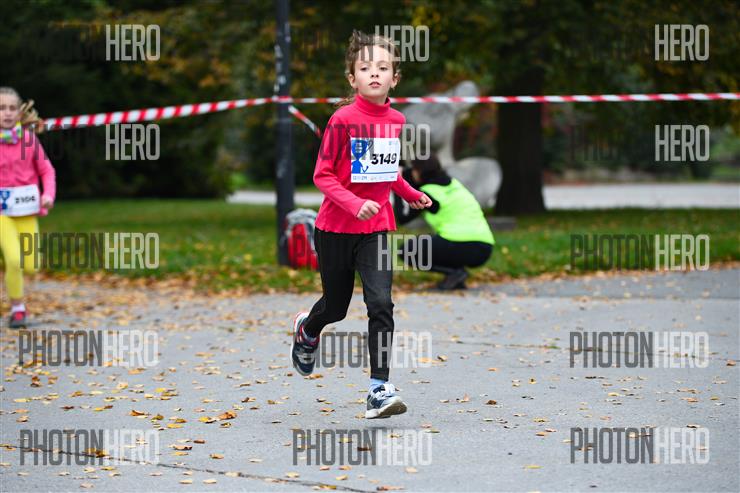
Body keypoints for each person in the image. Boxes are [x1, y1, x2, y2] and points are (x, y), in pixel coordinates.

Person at [291, 30, 432, 419]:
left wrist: (410, 193)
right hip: (336, 229)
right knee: (335, 308)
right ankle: (308, 329)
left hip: (376, 230)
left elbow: (385, 170)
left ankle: (378, 388)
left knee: (381, 303)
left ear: (394, 79)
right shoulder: (342, 120)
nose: (374, 74)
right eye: (366, 68)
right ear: (352, 78)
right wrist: (355, 205)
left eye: (382, 68)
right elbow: (322, 176)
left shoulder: (396, 120)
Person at [0, 87, 56, 328]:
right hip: (2, 214)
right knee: (14, 260)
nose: (7, 113)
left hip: (26, 210)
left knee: (32, 265)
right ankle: (18, 309)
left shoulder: (28, 140)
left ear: (20, 112)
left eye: (12, 108)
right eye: (1, 108)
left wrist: (48, 195)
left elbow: (47, 170)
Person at [396, 155, 494, 290]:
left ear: (419, 171)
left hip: (458, 243)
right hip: (484, 247)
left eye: (413, 170)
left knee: (408, 250)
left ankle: (455, 272)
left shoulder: (429, 193)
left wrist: (398, 184)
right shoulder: (454, 183)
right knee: (437, 243)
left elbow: (403, 218)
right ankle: (456, 276)